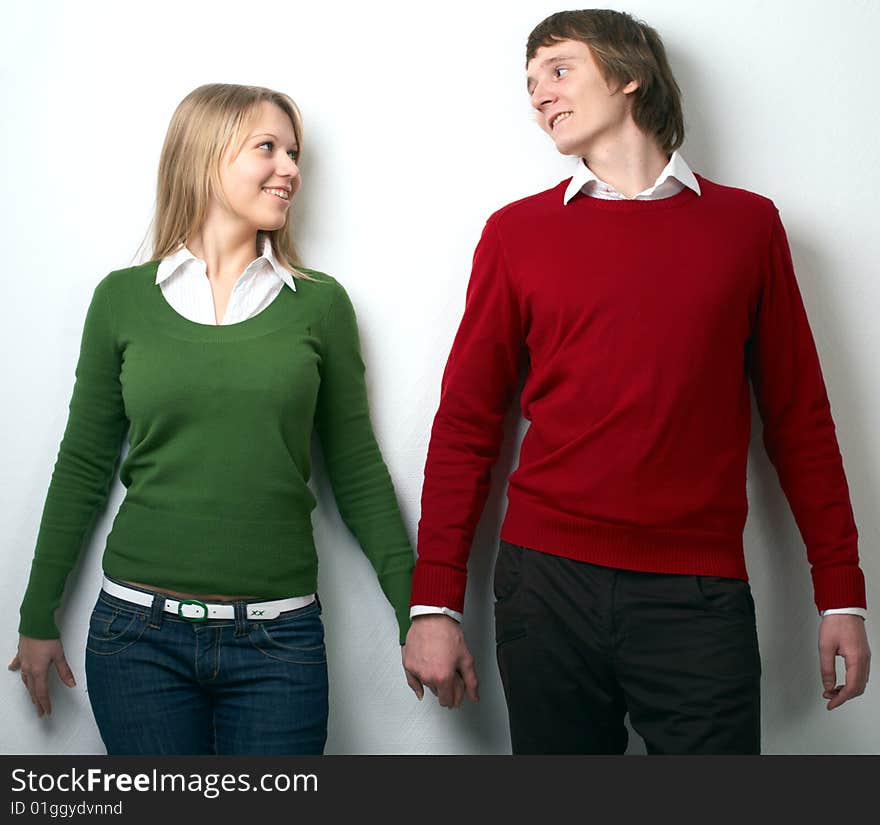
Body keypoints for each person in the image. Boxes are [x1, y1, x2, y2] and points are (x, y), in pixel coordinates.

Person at [402, 9, 870, 754]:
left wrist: (841, 591)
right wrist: (435, 601)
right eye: (529, 84)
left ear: (628, 75)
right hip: (544, 586)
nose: (539, 96)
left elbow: (800, 420)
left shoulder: (747, 228)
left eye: (558, 70)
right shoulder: (515, 234)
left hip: (698, 593)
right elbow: (466, 424)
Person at [9, 83, 414, 754]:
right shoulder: (121, 300)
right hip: (136, 639)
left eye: (294, 152)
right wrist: (35, 613)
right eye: (268, 148)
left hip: (277, 642)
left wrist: (418, 609)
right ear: (204, 156)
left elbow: (357, 469)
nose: (290, 168)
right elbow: (83, 464)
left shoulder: (320, 306)